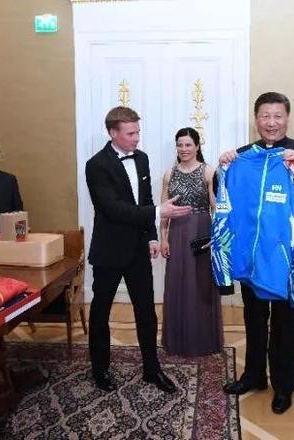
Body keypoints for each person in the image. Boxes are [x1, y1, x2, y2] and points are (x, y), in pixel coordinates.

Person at [220, 92, 294, 414]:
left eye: (277, 116)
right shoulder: (244, 155)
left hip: (287, 259)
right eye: (265, 116)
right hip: (253, 256)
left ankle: (283, 387)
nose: (271, 123)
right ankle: (253, 376)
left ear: (287, 118)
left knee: (285, 324)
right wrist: (223, 167)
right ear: (255, 119)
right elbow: (225, 193)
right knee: (254, 318)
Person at [85, 106, 191, 393]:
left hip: (137, 250)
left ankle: (151, 369)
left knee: (146, 312)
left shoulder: (141, 159)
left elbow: (144, 201)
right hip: (109, 250)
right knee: (100, 312)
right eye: (131, 133)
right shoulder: (96, 165)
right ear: (113, 133)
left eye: (138, 132)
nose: (136, 138)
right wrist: (158, 212)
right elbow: (112, 209)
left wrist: (152, 238)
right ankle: (100, 369)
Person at [160, 127, 223, 356]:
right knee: (177, 285)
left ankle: (203, 341)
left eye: (188, 144)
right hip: (176, 234)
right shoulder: (169, 174)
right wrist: (163, 239)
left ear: (197, 146)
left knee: (200, 285)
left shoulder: (209, 171)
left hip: (201, 233)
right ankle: (177, 341)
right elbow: (164, 211)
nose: (183, 149)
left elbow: (217, 208)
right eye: (180, 145)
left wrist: (217, 236)